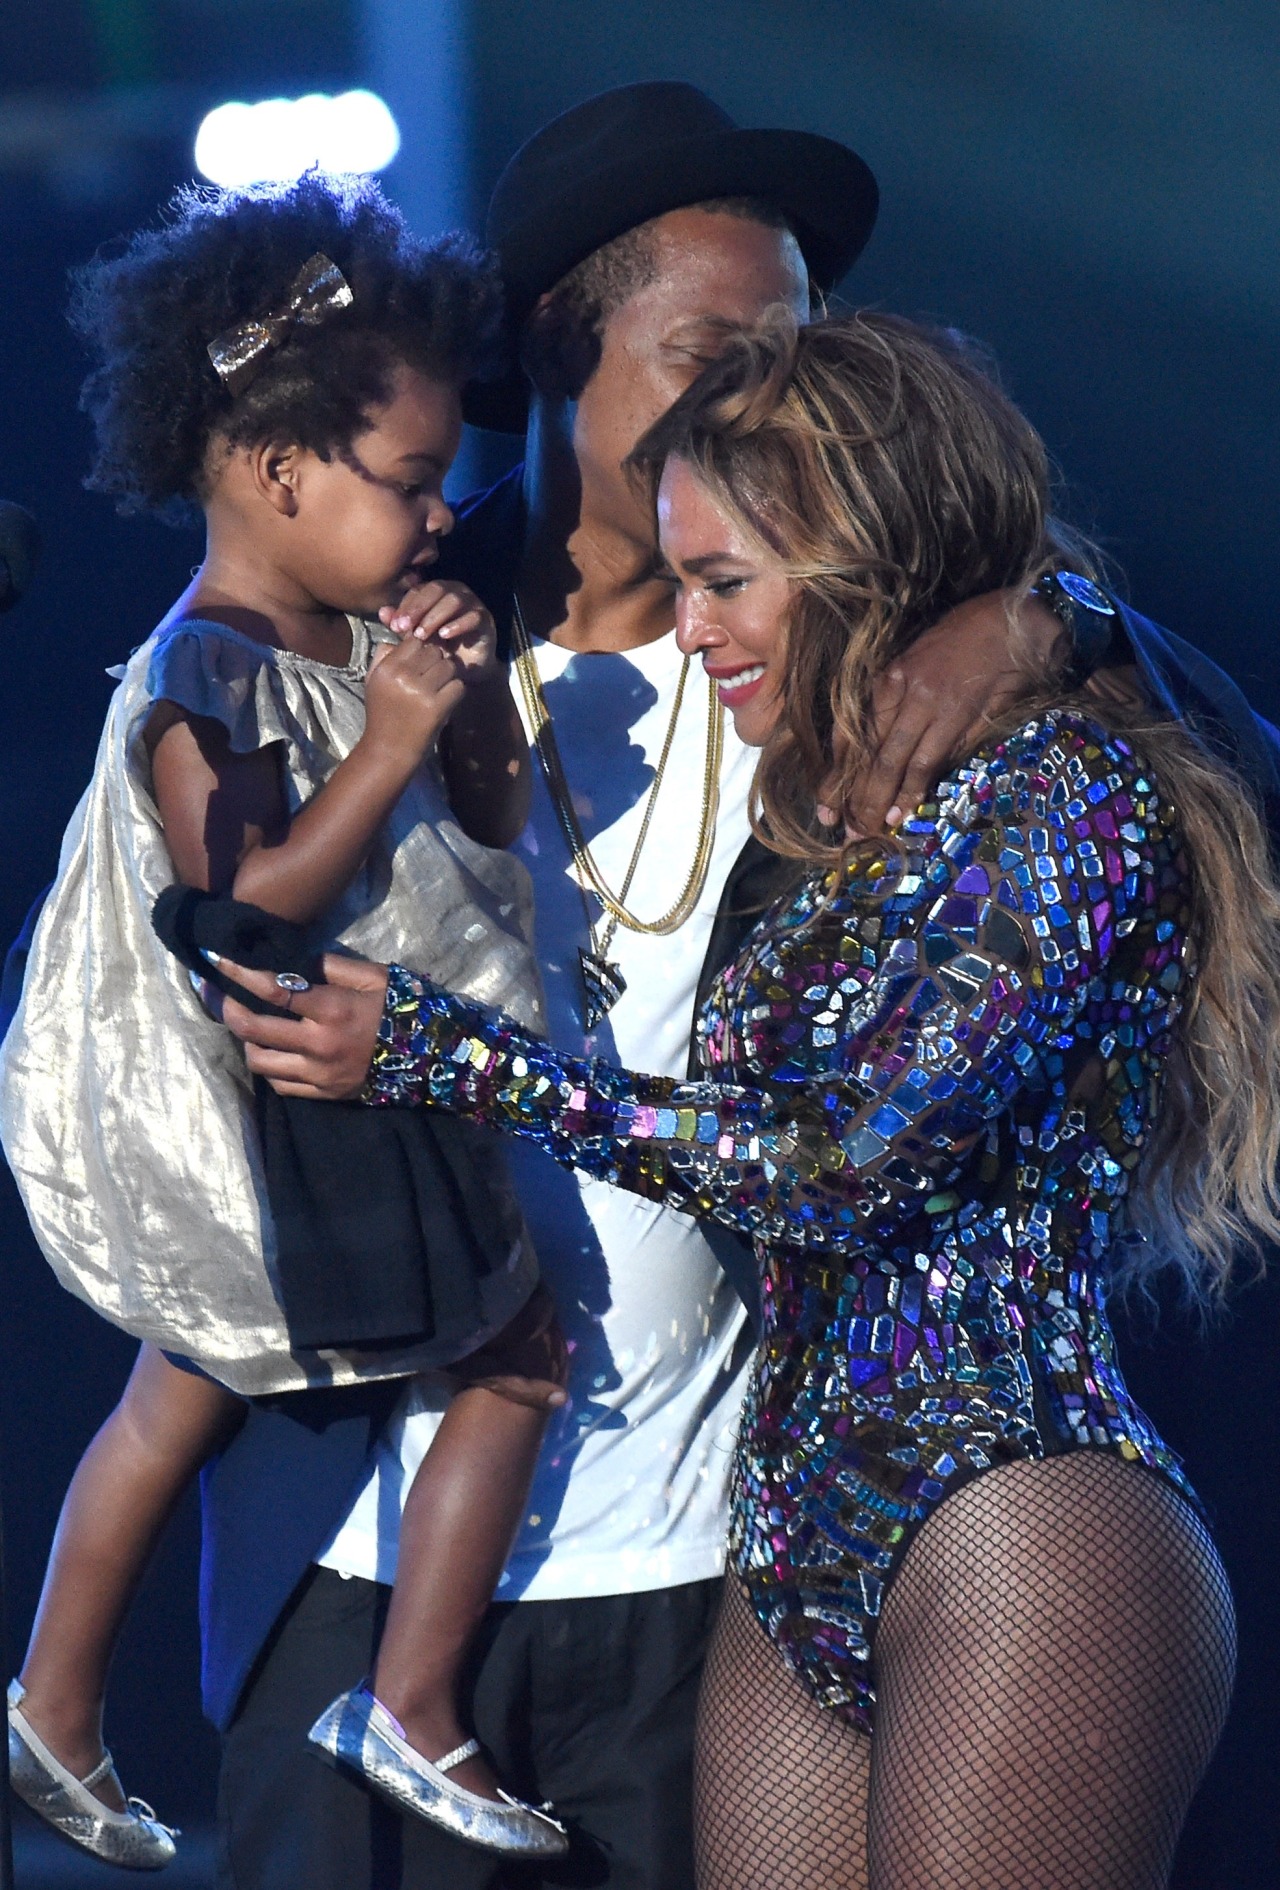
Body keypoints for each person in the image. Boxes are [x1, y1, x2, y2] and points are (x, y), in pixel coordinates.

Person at [199, 85, 1280, 1890]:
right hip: (364, 1529)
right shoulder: (334, 632)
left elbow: (1199, 788)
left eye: (790, 354)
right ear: (558, 340)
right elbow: (137, 975)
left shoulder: (890, 686)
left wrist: (1062, 617)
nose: (750, 396)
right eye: (713, 350)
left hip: (707, 1552)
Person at [0, 173, 572, 1868]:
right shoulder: (207, 672)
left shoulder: (347, 636)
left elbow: (480, 831)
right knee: (516, 1350)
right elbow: (247, 901)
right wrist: (387, 738)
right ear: (274, 472)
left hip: (350, 1086)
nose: (436, 512)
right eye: (407, 484)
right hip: (284, 1111)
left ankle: (54, 1705)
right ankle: (406, 1699)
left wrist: (452, 702)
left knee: (175, 1396)